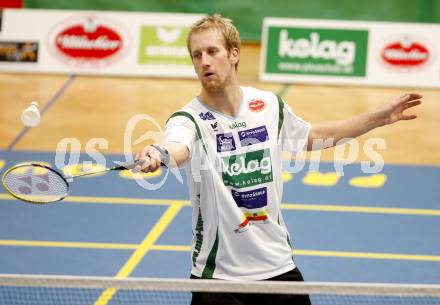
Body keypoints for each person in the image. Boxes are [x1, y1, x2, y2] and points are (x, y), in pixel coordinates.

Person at [134, 14, 422, 305]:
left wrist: (378, 118)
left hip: (278, 269)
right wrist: (158, 154)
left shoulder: (268, 105)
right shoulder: (189, 119)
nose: (204, 62)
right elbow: (176, 146)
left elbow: (312, 136)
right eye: (196, 55)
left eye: (212, 51)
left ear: (234, 54)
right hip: (219, 278)